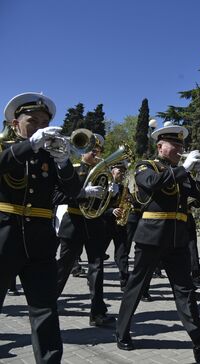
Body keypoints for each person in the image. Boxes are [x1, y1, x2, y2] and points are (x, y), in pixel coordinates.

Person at [115, 124, 200, 361]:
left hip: (177, 238)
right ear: (160, 146)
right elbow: (151, 183)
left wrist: (197, 176)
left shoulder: (181, 172)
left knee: (185, 289)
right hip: (152, 236)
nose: (179, 149)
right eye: (174, 145)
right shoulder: (147, 166)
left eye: (181, 145)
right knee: (136, 286)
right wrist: (184, 169)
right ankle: (122, 331)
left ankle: (199, 339)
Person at [0, 92, 80, 363]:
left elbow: (72, 191)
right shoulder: (6, 150)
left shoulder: (49, 156)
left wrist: (63, 162)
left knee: (45, 310)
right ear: (15, 124)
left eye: (44, 122)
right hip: (4, 236)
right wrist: (29, 146)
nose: (39, 128)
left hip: (41, 240)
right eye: (32, 121)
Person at [55, 134, 115, 327]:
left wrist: (110, 194)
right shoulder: (70, 170)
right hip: (73, 222)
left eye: (98, 151)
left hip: (95, 224)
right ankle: (47, 303)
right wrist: (82, 193)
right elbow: (56, 197)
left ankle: (97, 312)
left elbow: (102, 204)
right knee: (64, 266)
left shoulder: (104, 173)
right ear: (83, 151)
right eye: (92, 149)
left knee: (97, 268)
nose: (96, 153)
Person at [101, 163, 131, 290]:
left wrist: (130, 202)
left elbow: (128, 200)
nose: (122, 174)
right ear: (112, 171)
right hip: (105, 225)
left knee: (122, 254)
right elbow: (98, 206)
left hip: (120, 225)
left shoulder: (124, 187)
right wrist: (111, 211)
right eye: (120, 171)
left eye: (124, 172)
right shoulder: (104, 186)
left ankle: (125, 282)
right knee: (99, 254)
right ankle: (94, 278)